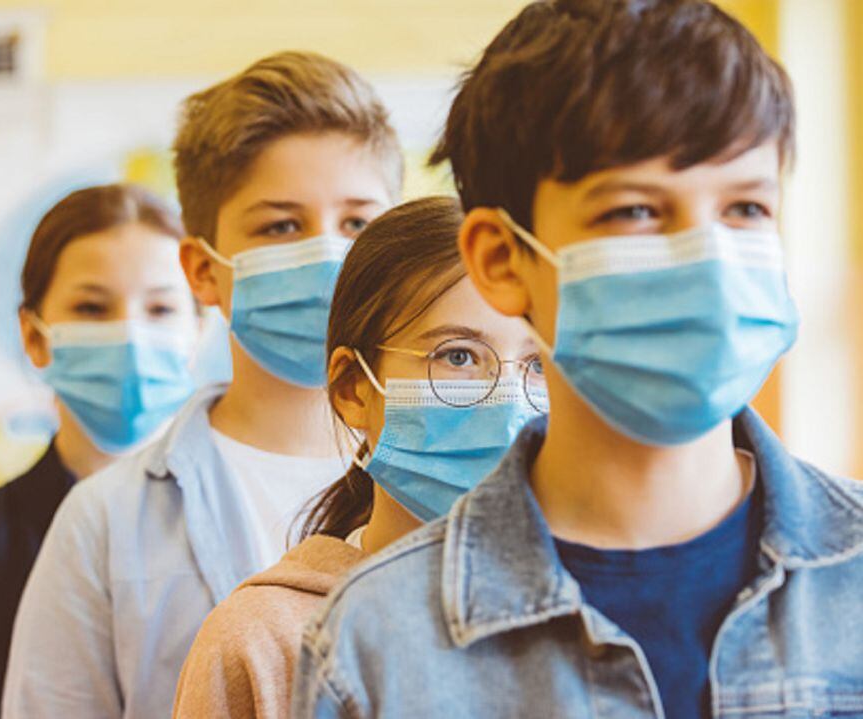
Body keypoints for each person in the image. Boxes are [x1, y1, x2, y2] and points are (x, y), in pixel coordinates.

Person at [293, 2, 863, 717]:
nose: (707, 259)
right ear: (502, 260)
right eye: (635, 212)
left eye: (745, 207)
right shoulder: (378, 642)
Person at [1, 51, 404, 718]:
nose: (328, 254)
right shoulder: (105, 523)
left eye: (358, 223)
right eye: (281, 226)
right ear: (201, 269)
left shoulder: (460, 484)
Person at [172, 195, 545, 719]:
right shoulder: (265, 643)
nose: (507, 399)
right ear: (353, 389)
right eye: (458, 356)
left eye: (536, 365)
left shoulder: (592, 615)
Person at [0, 184, 200, 719]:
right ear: (35, 337)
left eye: (159, 307)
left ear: (198, 329)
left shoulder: (238, 515)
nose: (129, 334)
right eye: (91, 307)